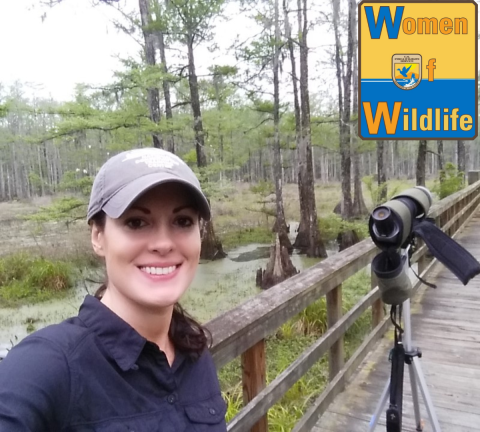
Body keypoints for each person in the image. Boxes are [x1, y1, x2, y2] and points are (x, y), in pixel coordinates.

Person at [0, 147, 228, 431]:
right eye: (136, 222)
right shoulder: (50, 364)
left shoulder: (193, 352)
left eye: (182, 221)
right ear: (98, 236)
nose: (164, 243)